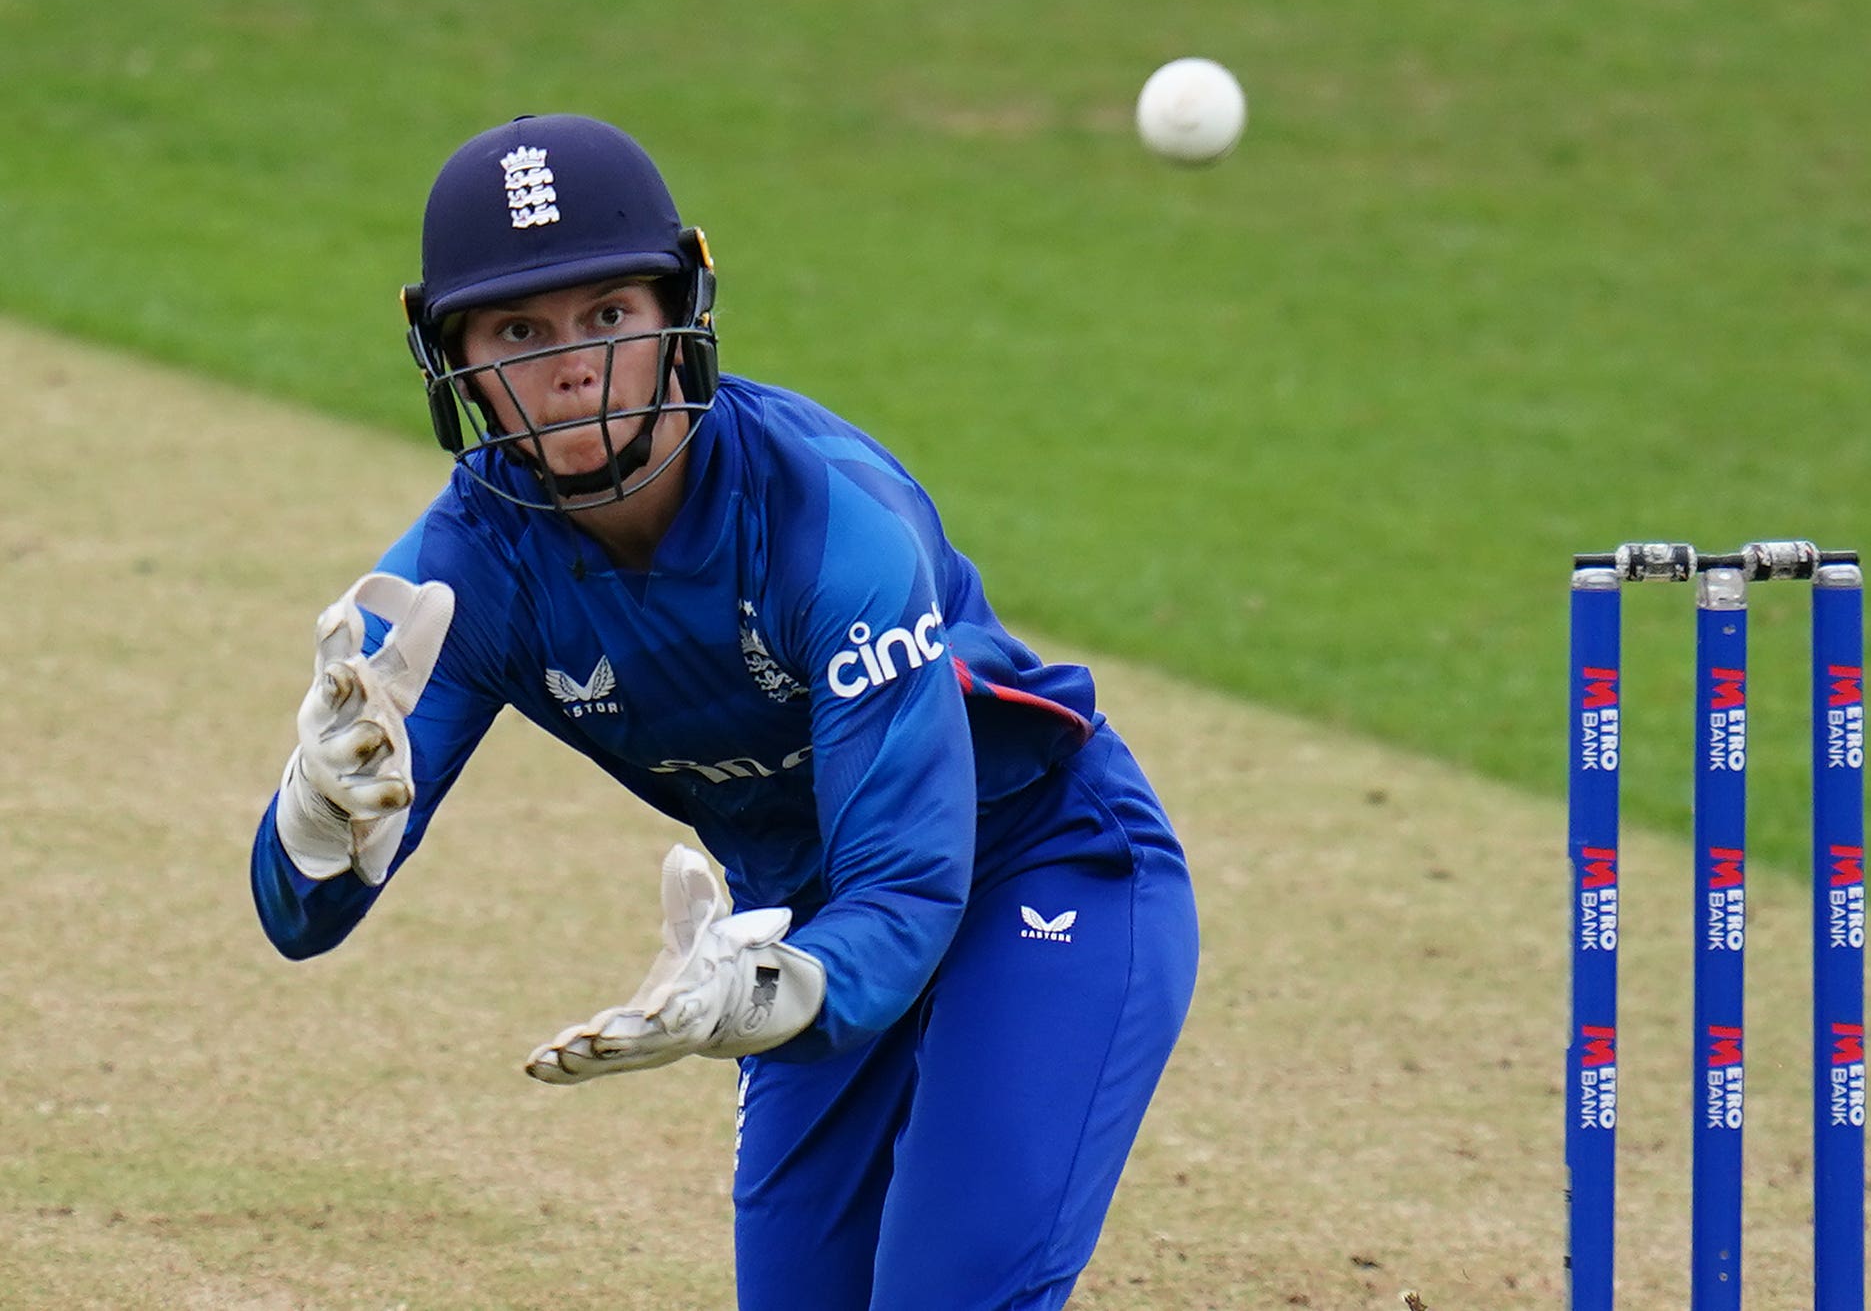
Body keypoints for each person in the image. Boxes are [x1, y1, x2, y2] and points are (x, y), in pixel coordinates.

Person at [248, 113, 1201, 1309]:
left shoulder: (832, 521)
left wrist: (757, 995)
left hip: (1040, 866)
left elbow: (908, 888)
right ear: (453, 358)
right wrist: (316, 816)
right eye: (518, 330)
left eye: (609, 315)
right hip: (794, 925)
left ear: (680, 312)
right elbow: (302, 921)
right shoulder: (464, 571)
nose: (572, 363)